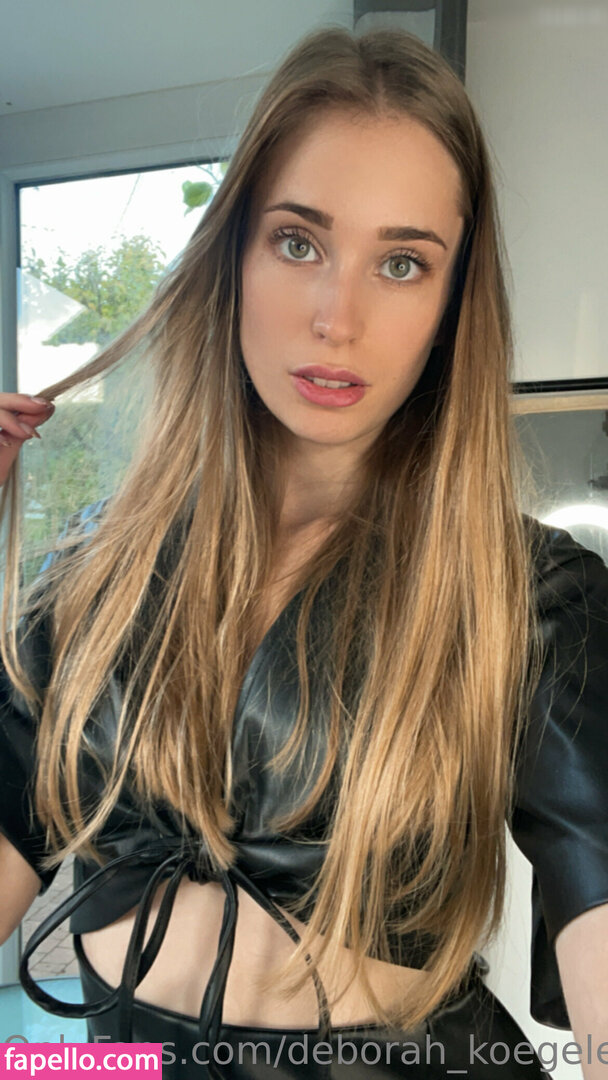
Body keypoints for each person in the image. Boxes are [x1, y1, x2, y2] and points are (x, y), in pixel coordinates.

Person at [1, 23, 607, 1080]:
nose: (338, 317)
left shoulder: (527, 598)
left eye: (402, 263)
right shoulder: (89, 581)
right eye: (298, 243)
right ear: (231, 256)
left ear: (450, 304)